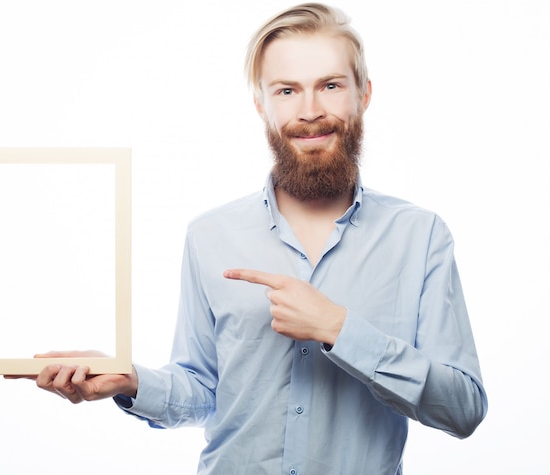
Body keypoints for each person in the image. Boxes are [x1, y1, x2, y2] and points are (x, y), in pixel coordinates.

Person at [26, 3, 487, 474]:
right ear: (261, 104)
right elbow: (205, 391)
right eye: (286, 90)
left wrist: (338, 328)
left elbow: (464, 408)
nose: (310, 111)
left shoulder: (421, 236)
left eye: (330, 85)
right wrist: (130, 381)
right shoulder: (210, 236)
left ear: (363, 94)